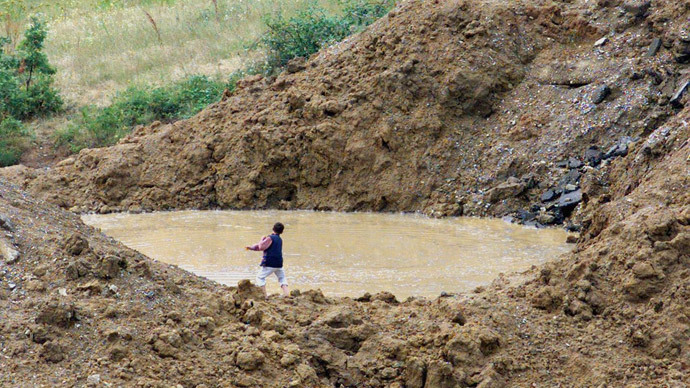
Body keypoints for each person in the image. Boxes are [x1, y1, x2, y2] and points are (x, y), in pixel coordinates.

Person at [246, 222, 289, 298]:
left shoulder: (270, 238)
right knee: (282, 277)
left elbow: (261, 247)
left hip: (270, 262)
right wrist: (252, 248)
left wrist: (261, 239)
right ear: (282, 231)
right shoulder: (279, 239)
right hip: (279, 263)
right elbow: (263, 246)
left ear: (273, 229)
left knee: (260, 277)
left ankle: (265, 296)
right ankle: (287, 294)